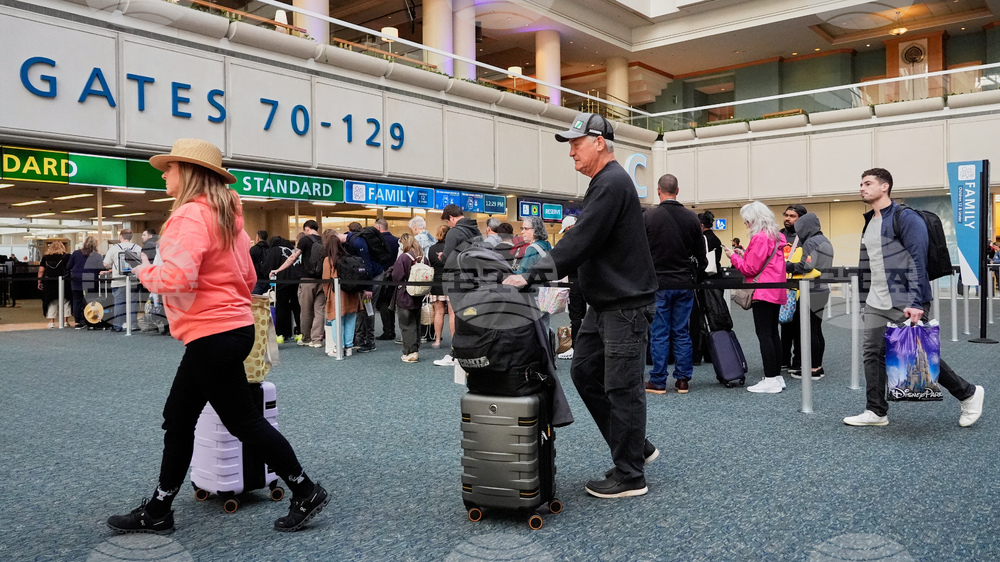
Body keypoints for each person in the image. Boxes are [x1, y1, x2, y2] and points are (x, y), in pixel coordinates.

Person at [108, 138, 328, 535]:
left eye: (170, 168)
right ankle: (159, 508)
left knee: (238, 421)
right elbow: (246, 279)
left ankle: (306, 490)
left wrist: (142, 270)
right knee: (179, 418)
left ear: (189, 173)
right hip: (232, 329)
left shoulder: (190, 217)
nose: (164, 173)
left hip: (212, 334)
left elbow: (176, 278)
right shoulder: (229, 220)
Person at [503, 112, 658, 499]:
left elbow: (582, 240)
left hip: (623, 306)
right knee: (586, 372)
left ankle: (630, 474)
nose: (571, 151)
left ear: (600, 142)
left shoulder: (611, 183)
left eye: (576, 143)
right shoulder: (604, 183)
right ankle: (635, 446)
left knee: (623, 388)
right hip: (606, 305)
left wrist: (530, 274)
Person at [844, 167, 984, 427]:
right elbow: (870, 263)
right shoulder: (870, 220)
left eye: (868, 183)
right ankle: (876, 411)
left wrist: (916, 301)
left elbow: (917, 260)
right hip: (876, 300)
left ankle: (969, 393)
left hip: (905, 298)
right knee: (872, 354)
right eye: (861, 183)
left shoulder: (905, 217)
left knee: (918, 354)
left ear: (885, 186)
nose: (861, 187)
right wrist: (865, 299)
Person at [643, 174, 707, 395]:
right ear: (677, 191)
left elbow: (640, 253)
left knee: (659, 332)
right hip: (684, 283)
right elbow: (701, 255)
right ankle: (682, 380)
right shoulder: (691, 219)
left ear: (658, 191)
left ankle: (658, 381)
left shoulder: (649, 217)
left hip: (659, 283)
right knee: (682, 332)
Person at [724, 201, 787, 394]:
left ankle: (770, 379)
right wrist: (744, 254)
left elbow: (749, 268)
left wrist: (732, 257)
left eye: (747, 222)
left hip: (762, 291)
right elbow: (761, 263)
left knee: (764, 335)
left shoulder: (759, 238)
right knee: (773, 334)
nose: (746, 226)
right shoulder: (776, 237)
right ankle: (775, 376)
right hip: (776, 289)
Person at [785, 212, 834, 380]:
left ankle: (812, 368)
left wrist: (789, 266)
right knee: (816, 329)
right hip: (823, 290)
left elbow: (807, 265)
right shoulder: (825, 241)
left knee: (809, 331)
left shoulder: (811, 242)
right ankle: (818, 366)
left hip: (810, 291)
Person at [434, 205, 481, 366]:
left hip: (457, 279)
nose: (450, 225)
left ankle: (456, 353)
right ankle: (474, 349)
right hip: (474, 278)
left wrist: (442, 257)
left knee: (460, 317)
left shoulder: (454, 232)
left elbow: (448, 257)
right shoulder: (477, 231)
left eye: (449, 222)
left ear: (451, 218)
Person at [271, 220, 325, 349]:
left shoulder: (304, 240)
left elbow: (293, 258)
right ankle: (317, 339)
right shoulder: (324, 240)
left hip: (307, 280)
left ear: (306, 228)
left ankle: (306, 338)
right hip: (323, 280)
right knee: (319, 310)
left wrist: (278, 270)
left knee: (305, 310)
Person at [690, 210, 724, 364]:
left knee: (699, 319)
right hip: (716, 281)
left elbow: (701, 262)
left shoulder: (702, 238)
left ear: (701, 225)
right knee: (714, 317)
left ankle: (697, 354)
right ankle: (712, 353)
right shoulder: (715, 239)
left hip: (704, 282)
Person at [341, 222, 381, 353]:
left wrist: (368, 288)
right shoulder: (351, 241)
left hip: (373, 277)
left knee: (368, 309)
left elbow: (367, 266)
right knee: (363, 309)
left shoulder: (358, 243)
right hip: (368, 277)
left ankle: (370, 341)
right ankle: (360, 338)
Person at [322, 233, 361, 358]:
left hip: (337, 294)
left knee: (336, 321)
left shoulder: (328, 260)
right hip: (353, 294)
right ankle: (349, 347)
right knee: (350, 320)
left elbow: (325, 280)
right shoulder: (349, 257)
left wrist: (327, 295)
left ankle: (339, 347)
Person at [391, 233, 427, 363]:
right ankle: (415, 348)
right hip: (419, 294)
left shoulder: (404, 257)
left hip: (405, 294)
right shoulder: (423, 258)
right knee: (416, 322)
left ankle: (410, 352)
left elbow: (397, 276)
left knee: (406, 324)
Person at [780, 204, 807, 373]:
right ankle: (783, 359)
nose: (787, 218)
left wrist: (789, 266)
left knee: (799, 326)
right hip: (782, 287)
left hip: (801, 288)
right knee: (784, 323)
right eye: (786, 215)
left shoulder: (805, 237)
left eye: (792, 216)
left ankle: (798, 360)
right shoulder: (779, 236)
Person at [558, 216, 587, 361]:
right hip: (586, 282)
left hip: (574, 283)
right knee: (584, 315)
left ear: (569, 227)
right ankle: (585, 345)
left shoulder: (572, 242)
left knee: (575, 317)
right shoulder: (587, 238)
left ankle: (575, 347)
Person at [103, 229, 143, 332]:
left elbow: (106, 264)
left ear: (121, 236)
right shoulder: (138, 248)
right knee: (133, 303)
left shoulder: (114, 248)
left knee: (119, 303)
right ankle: (133, 324)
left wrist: (113, 266)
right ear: (131, 237)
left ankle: (117, 325)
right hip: (134, 280)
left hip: (118, 280)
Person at [263, 236, 301, 344]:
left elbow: (267, 267)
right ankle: (299, 332)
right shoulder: (290, 250)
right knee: (296, 307)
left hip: (281, 282)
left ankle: (280, 334)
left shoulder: (274, 251)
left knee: (281, 307)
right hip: (295, 282)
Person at [427, 225, 452, 350]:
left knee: (439, 312)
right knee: (452, 313)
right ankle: (454, 341)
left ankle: (437, 340)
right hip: (451, 281)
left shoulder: (431, 249)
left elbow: (430, 264)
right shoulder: (453, 248)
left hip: (436, 281)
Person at [375, 218, 399, 342]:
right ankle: (392, 330)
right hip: (394, 276)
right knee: (390, 303)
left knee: (382, 303)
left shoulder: (378, 242)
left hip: (382, 275)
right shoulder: (396, 241)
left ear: (379, 228)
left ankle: (387, 331)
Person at [67, 236, 99, 330]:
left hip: (76, 279)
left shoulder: (76, 253)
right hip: (90, 279)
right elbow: (99, 269)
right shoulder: (97, 255)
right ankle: (89, 320)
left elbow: (68, 266)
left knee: (77, 301)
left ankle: (77, 322)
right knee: (90, 301)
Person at [38, 241, 71, 328]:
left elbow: (41, 270)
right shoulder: (67, 256)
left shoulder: (45, 257)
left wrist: (39, 281)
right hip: (64, 281)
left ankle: (51, 322)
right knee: (65, 301)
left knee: (51, 301)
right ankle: (65, 321)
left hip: (49, 281)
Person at [249, 230, 270, 295]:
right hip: (268, 278)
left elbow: (249, 263)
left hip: (257, 278)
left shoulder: (254, 249)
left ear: (258, 238)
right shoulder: (270, 249)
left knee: (255, 298)